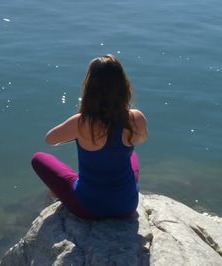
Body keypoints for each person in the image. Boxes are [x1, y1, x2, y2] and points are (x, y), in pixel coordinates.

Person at [31, 54, 148, 220]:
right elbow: (141, 139)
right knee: (132, 156)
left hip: (88, 208)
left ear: (90, 89)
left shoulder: (81, 122)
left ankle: (62, 191)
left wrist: (77, 135)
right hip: (127, 206)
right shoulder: (136, 118)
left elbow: (50, 139)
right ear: (123, 86)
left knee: (38, 158)